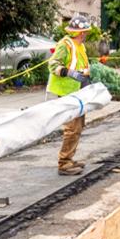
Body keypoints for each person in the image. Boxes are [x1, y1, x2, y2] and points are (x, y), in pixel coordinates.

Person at [47, 14, 92, 175]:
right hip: (67, 91)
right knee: (72, 128)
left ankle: (69, 158)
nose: (86, 34)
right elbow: (53, 65)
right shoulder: (65, 44)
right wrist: (69, 72)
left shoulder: (80, 46)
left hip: (78, 90)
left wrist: (85, 74)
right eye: (85, 31)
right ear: (81, 32)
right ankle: (64, 163)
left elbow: (81, 65)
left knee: (78, 126)